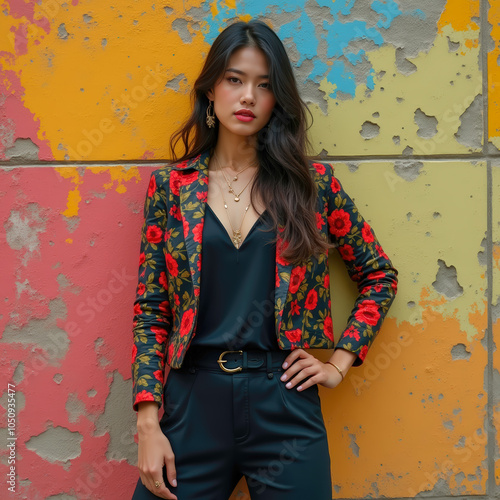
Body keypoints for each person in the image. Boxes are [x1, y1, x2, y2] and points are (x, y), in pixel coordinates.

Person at [130, 19, 398, 500]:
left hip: (285, 406)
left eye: (265, 85)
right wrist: (148, 421)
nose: (248, 96)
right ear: (211, 90)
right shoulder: (171, 189)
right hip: (193, 401)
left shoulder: (311, 187)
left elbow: (378, 276)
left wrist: (339, 362)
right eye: (234, 79)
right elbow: (152, 309)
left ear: (278, 100)